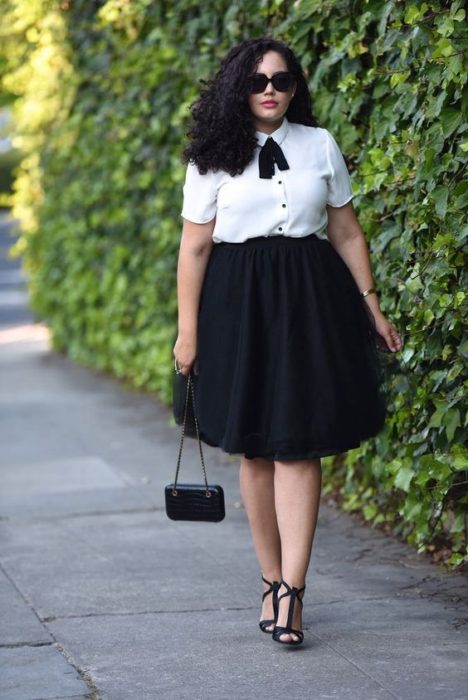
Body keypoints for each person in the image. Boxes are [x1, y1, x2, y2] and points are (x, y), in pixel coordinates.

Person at [173, 36, 402, 647]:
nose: (269, 89)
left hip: (309, 302)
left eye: (281, 79)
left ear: (295, 86)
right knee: (255, 449)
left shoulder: (319, 144)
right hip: (237, 305)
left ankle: (294, 593)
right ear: (237, 89)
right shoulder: (211, 157)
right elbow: (194, 248)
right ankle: (271, 579)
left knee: (300, 445)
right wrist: (187, 331)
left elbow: (347, 233)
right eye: (257, 80)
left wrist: (372, 307)